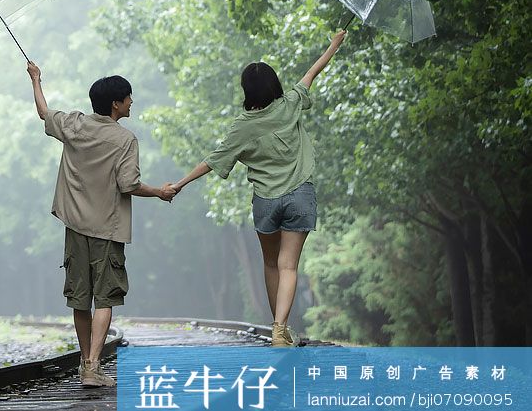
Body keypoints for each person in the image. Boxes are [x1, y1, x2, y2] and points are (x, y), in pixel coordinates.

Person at [163, 31, 347, 348]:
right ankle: (280, 328)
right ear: (275, 84)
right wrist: (333, 45)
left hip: (266, 202)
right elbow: (313, 72)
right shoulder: (290, 103)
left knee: (271, 263)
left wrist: (178, 185)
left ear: (246, 90)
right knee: (289, 265)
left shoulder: (242, 125)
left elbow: (213, 160)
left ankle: (278, 326)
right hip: (300, 196)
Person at [27, 60, 176, 387]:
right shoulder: (125, 140)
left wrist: (36, 79)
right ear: (115, 104)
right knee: (105, 297)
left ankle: (87, 365)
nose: (131, 102)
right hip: (107, 230)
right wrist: (160, 193)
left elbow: (43, 112)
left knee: (80, 298)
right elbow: (129, 186)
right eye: (128, 98)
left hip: (75, 228)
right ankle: (93, 366)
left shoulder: (75, 125)